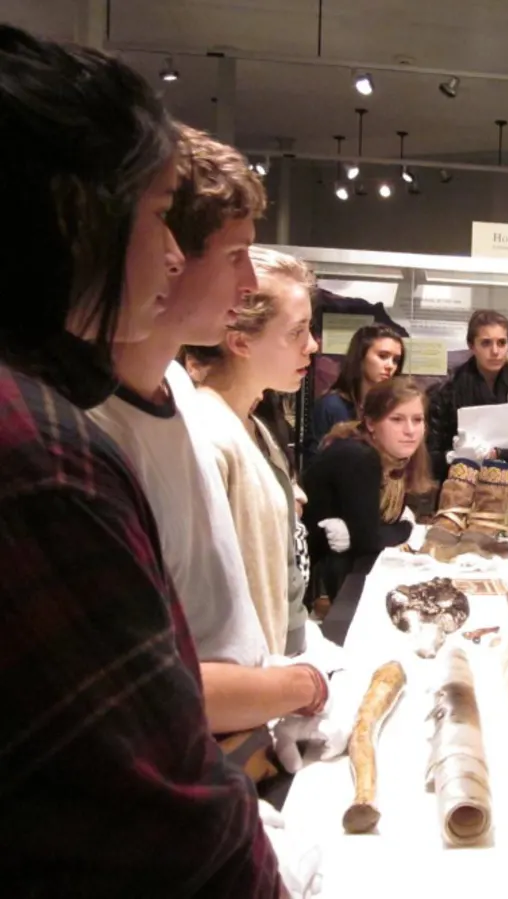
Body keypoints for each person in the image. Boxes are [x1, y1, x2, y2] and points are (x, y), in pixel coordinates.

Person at [0, 25, 280, 893]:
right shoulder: (41, 451)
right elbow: (166, 817)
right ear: (75, 209)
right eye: (157, 215)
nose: (168, 254)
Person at [89, 126, 343, 746]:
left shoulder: (177, 394)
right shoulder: (93, 428)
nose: (247, 285)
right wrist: (302, 685)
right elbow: (147, 685)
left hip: (240, 743)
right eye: (234, 258)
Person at [189, 247, 319, 656]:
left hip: (279, 651)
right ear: (241, 341)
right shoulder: (208, 434)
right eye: (296, 332)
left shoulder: (255, 424)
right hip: (249, 669)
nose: (312, 346)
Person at [303, 376, 436, 595]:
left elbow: (367, 534)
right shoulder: (360, 457)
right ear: (371, 423)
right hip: (311, 581)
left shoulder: (394, 456)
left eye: (418, 419)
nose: (410, 430)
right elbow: (368, 539)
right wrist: (406, 528)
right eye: (397, 419)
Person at [426, 309, 508, 526]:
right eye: (486, 343)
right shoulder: (446, 393)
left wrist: (499, 454)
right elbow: (428, 460)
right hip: (460, 503)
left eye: (502, 342)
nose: (495, 351)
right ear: (471, 346)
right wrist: (455, 456)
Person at [311, 322, 405, 447]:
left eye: (396, 360)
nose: (390, 366)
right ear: (360, 357)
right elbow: (315, 460)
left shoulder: (394, 407)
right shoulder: (331, 406)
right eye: (382, 356)